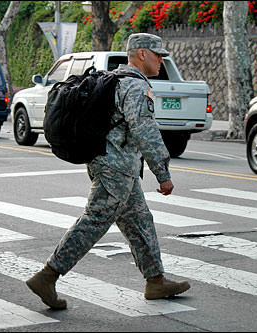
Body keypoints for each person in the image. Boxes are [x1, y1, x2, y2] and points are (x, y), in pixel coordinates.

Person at [26, 33, 190, 310]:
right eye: (157, 54)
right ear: (140, 54)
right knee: (95, 221)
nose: (161, 60)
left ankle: (155, 280)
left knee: (139, 221)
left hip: (113, 165)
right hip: (116, 169)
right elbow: (145, 131)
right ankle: (48, 275)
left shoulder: (116, 80)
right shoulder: (135, 87)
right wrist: (162, 173)